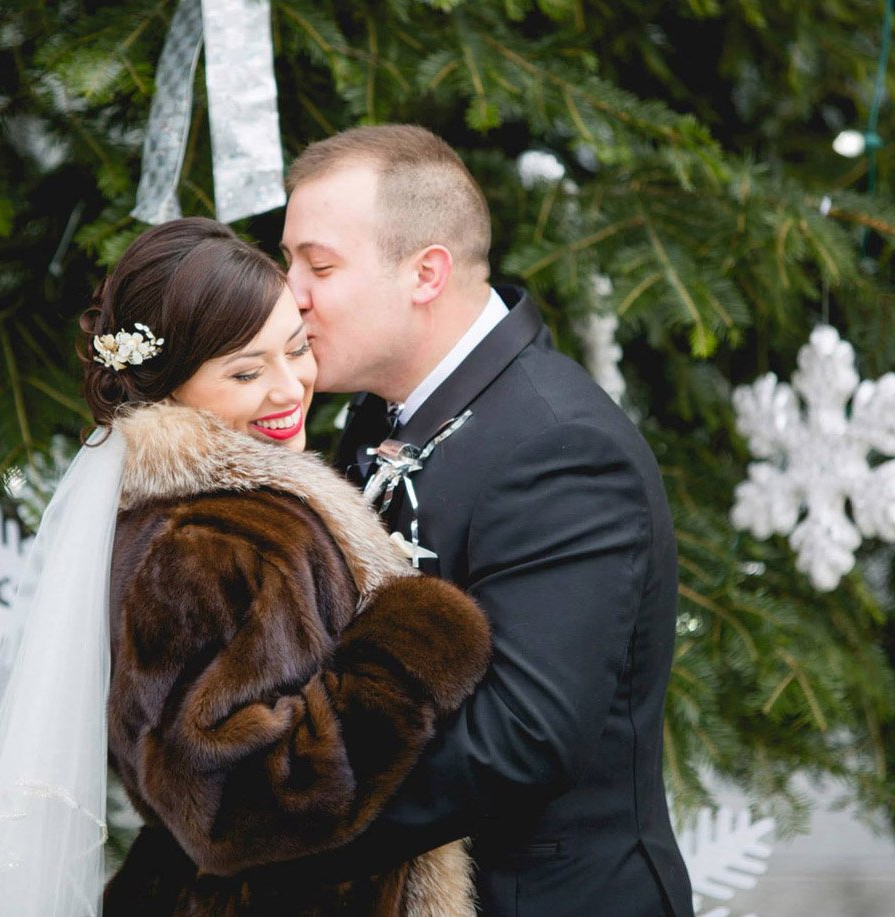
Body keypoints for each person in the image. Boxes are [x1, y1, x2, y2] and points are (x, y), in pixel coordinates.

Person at [0, 216, 491, 917]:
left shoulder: (224, 504)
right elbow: (229, 800)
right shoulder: (200, 544)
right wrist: (410, 649)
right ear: (172, 386)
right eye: (246, 371)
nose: (289, 389)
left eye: (298, 348)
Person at [273, 124, 696, 917]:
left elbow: (524, 738)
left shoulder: (560, 445)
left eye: (318, 265)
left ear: (426, 273)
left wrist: (280, 821)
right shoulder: (374, 415)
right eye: (289, 260)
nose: (289, 292)